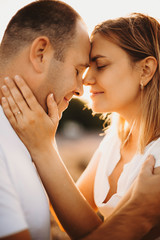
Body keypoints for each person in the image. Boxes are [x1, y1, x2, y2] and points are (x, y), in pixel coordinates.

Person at [1, 11, 160, 239]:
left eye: (101, 65)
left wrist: (43, 146)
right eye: (82, 69)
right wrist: (45, 144)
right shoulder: (115, 141)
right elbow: (87, 228)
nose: (85, 80)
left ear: (145, 70)